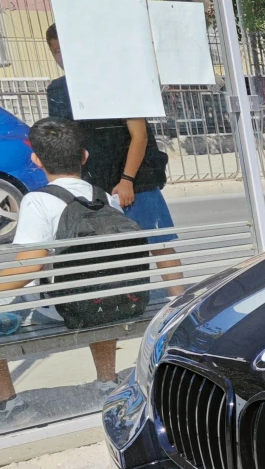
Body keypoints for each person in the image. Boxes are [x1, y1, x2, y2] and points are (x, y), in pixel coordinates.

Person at [0, 118, 127, 424]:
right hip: (112, 302)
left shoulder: (38, 201)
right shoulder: (106, 198)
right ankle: (107, 382)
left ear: (36, 159)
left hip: (64, 309)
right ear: (84, 156)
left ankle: (8, 406)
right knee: (97, 287)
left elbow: (29, 265)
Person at [45, 23, 181, 293]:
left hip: (136, 179)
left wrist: (127, 180)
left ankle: (180, 302)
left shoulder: (119, 80)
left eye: (67, 50)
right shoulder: (59, 90)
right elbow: (63, 139)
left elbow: (139, 136)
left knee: (159, 242)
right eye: (56, 52)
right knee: (106, 253)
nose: (62, 58)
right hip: (93, 184)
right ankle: (118, 307)